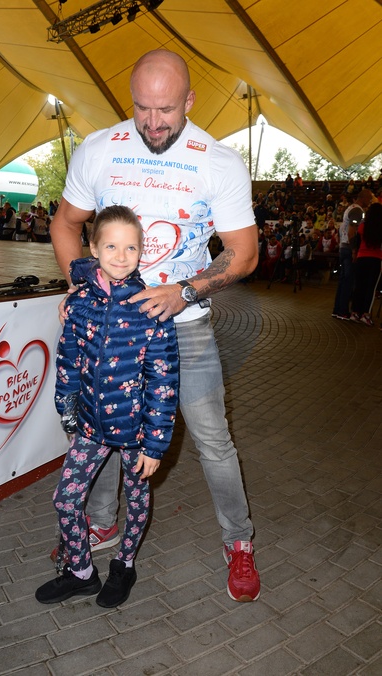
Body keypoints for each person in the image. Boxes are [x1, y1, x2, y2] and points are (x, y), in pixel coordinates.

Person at [50, 49, 260, 603]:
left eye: (165, 110)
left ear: (189, 100)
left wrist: (182, 291)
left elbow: (243, 253)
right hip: (110, 328)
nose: (152, 122)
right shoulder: (100, 150)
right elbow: (66, 224)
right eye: (142, 108)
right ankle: (101, 523)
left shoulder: (219, 163)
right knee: (100, 426)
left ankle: (238, 541)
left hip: (184, 327)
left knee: (213, 438)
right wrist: (80, 286)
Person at [35, 205, 179, 607]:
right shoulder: (79, 302)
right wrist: (68, 412)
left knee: (136, 498)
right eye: (111, 246)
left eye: (131, 247)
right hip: (89, 425)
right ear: (94, 248)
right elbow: (67, 362)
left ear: (141, 252)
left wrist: (155, 445)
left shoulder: (152, 307)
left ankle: (124, 565)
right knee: (65, 499)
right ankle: (82, 572)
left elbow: (164, 381)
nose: (121, 255)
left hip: (136, 431)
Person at [332, 188, 373, 320]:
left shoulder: (350, 208)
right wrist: (354, 251)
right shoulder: (357, 211)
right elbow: (351, 232)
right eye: (369, 198)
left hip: (344, 247)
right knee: (348, 281)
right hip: (349, 249)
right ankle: (343, 311)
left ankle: (337, 309)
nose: (370, 201)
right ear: (363, 198)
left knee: (343, 280)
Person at [349, 202, 382, 327]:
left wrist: (355, 254)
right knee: (371, 288)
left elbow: (357, 242)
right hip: (376, 258)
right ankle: (365, 314)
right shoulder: (380, 227)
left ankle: (355, 312)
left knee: (359, 286)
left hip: (361, 257)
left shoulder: (362, 226)